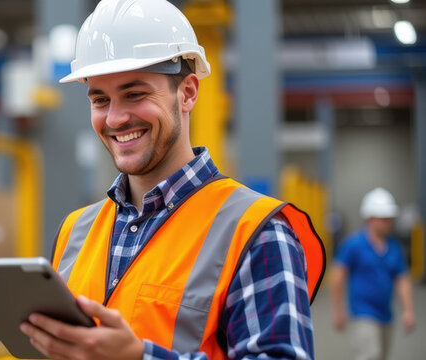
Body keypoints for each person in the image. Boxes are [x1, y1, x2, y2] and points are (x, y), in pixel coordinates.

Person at [17, 0, 326, 359]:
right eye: (100, 99)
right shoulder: (75, 231)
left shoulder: (256, 231)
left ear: (188, 92)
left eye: (135, 94)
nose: (115, 119)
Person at [331, 187, 416, 360]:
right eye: (383, 218)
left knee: (381, 356)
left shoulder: (394, 247)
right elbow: (338, 276)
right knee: (370, 355)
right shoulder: (354, 245)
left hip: (386, 315)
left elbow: (402, 279)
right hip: (363, 313)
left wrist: (408, 310)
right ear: (370, 218)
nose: (388, 223)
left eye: (389, 218)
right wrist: (338, 310)